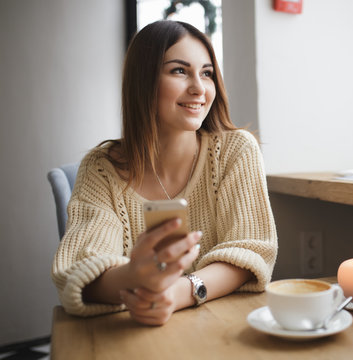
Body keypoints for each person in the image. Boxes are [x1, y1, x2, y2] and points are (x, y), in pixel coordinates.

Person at [51, 20, 278, 325]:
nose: (199, 88)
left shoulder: (237, 150)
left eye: (207, 73)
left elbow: (250, 250)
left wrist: (176, 293)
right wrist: (135, 278)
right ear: (143, 81)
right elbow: (82, 269)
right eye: (179, 71)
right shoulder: (101, 168)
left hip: (225, 327)